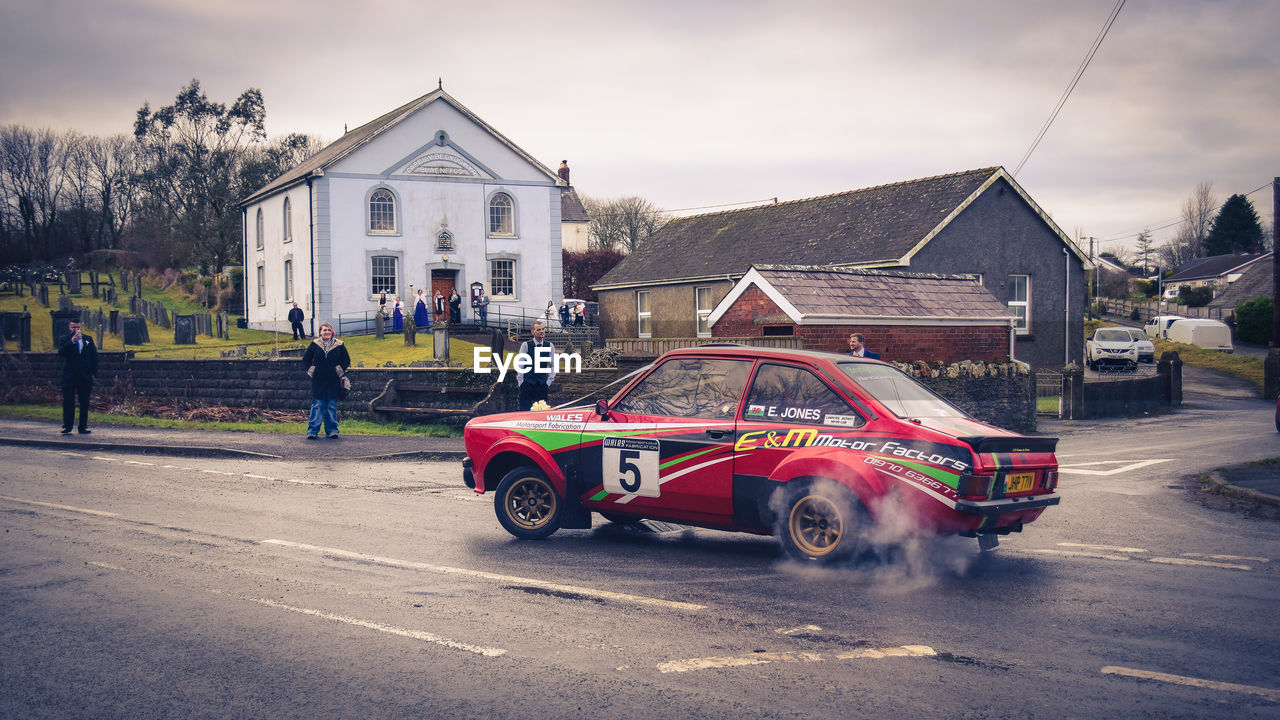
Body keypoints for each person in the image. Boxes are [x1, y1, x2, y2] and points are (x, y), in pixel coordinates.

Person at [302, 322, 351, 439]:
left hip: (333, 380)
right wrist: (312, 370)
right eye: (324, 330)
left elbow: (346, 360)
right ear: (320, 332)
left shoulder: (339, 345)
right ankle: (312, 431)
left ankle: (332, 430)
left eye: (329, 330)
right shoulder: (315, 344)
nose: (327, 332)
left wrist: (339, 370)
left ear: (332, 332)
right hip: (318, 380)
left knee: (331, 405)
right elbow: (306, 359)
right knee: (317, 405)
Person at [58, 319, 97, 435]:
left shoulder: (88, 339)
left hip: (84, 376)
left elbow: (94, 357)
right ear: (69, 328)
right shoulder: (64, 339)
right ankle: (67, 426)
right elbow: (61, 353)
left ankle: (83, 426)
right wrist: (72, 341)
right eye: (73, 327)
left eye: (78, 327)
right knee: (68, 401)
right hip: (69, 376)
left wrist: (93, 373)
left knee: (84, 402)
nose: (76, 330)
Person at [517, 320, 556, 411]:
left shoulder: (549, 346)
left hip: (542, 385)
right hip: (527, 384)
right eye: (538, 330)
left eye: (543, 329)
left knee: (542, 413)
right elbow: (520, 364)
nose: (541, 331)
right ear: (532, 332)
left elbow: (553, 365)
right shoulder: (526, 345)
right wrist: (521, 383)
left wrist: (548, 382)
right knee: (524, 412)